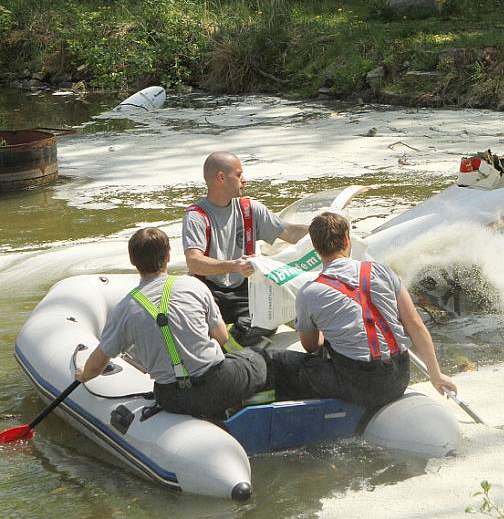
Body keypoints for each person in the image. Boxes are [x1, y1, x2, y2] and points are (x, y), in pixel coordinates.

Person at [75, 227, 271, 419]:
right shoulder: (194, 286)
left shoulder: (124, 309)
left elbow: (96, 365)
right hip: (217, 383)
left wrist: (83, 375)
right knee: (259, 358)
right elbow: (222, 337)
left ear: (133, 261)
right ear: (168, 256)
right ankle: (251, 403)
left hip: (171, 396)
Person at [268, 212, 457, 408]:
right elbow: (415, 325)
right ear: (346, 239)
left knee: (281, 363)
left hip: (357, 385)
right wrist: (436, 375)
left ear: (315, 248)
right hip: (399, 377)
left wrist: (326, 329)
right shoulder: (382, 271)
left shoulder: (308, 293)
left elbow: (311, 346)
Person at [182, 151, 308, 347]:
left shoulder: (250, 209)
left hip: (245, 289)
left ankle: (233, 347)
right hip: (209, 291)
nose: (244, 180)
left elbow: (289, 232)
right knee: (190, 321)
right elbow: (194, 262)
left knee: (269, 317)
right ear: (221, 178)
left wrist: (325, 230)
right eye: (239, 174)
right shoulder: (196, 216)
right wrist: (234, 266)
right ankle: (224, 351)